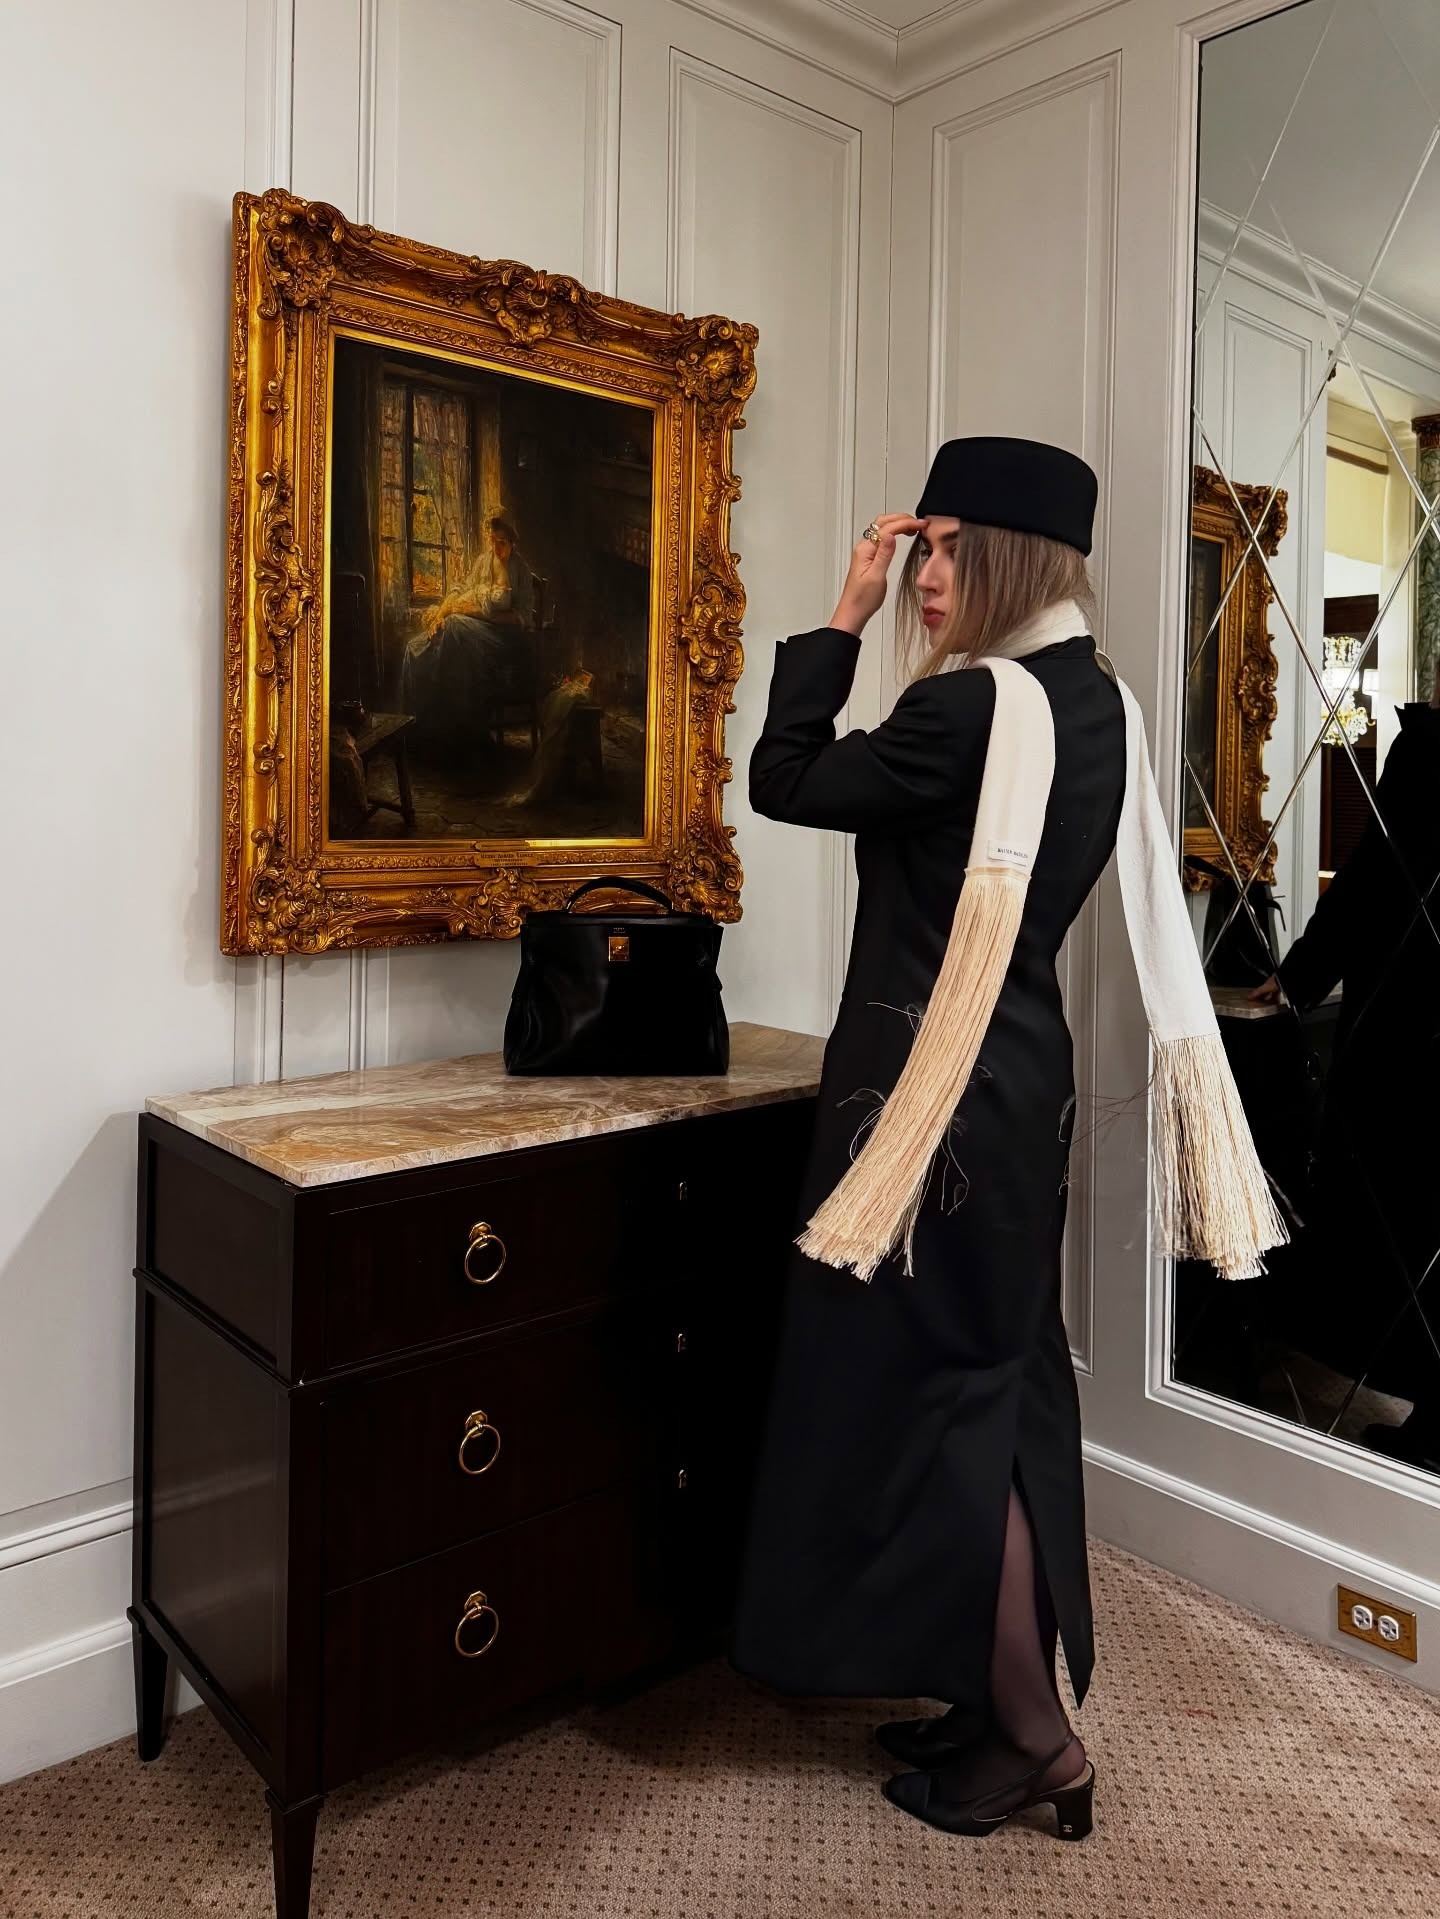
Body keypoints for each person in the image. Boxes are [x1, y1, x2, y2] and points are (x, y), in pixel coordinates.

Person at [727, 436, 1284, 1845]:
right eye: (916, 546)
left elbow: (784, 778)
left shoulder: (973, 709)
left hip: (929, 1098)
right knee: (996, 1388)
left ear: (1012, 560)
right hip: (1019, 1085)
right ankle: (986, 1698)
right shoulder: (1094, 706)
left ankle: (1035, 1737)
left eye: (948, 545)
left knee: (942, 1411)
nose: (922, 568)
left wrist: (837, 620)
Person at [1249, 675, 1440, 1466]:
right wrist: (1298, 975)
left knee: (1406, 1216)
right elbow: (1375, 877)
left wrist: (1300, 974)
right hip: (1405, 1025)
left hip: (1409, 1035)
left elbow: (1372, 877)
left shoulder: (1428, 750)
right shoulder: (1425, 747)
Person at [401, 515, 536, 748]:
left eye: (502, 542)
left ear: (512, 542)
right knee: (414, 647)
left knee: (455, 625)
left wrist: (480, 614)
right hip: (470, 629)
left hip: (503, 637)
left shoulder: (520, 570)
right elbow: (461, 588)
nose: (496, 547)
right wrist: (441, 613)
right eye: (493, 540)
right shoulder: (483, 561)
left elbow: (523, 616)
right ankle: (417, 730)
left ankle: (455, 731)